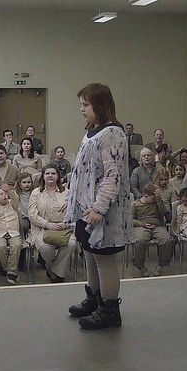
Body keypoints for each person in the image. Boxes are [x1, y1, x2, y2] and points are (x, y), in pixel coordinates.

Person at [65, 83, 129, 331]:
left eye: (85, 104)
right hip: (86, 208)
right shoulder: (92, 132)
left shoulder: (112, 134)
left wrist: (99, 208)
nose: (81, 109)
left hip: (102, 211)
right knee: (90, 255)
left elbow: (113, 175)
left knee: (104, 260)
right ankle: (94, 299)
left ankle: (109, 310)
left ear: (100, 105)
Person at [28, 165, 75, 283]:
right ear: (43, 177)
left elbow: (73, 212)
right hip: (42, 228)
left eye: (53, 173)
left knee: (71, 244)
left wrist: (65, 223)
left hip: (64, 228)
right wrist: (48, 225)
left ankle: (54, 271)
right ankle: (53, 268)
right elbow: (32, 215)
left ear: (58, 176)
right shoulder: (36, 192)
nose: (50, 176)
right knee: (45, 249)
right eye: (47, 173)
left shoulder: (67, 192)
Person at [129, 184, 173, 277]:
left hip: (156, 226)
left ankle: (161, 264)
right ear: (145, 196)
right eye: (152, 198)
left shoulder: (156, 203)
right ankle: (139, 265)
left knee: (167, 239)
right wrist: (143, 224)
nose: (154, 200)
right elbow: (131, 220)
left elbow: (164, 212)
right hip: (141, 226)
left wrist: (159, 200)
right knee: (140, 240)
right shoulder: (135, 205)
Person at [0, 188, 24, 284]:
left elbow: (15, 197)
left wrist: (9, 191)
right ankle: (6, 268)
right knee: (0, 247)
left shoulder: (13, 204)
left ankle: (11, 272)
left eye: (5, 194)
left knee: (16, 245)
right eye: (1, 194)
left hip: (13, 233)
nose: (5, 195)